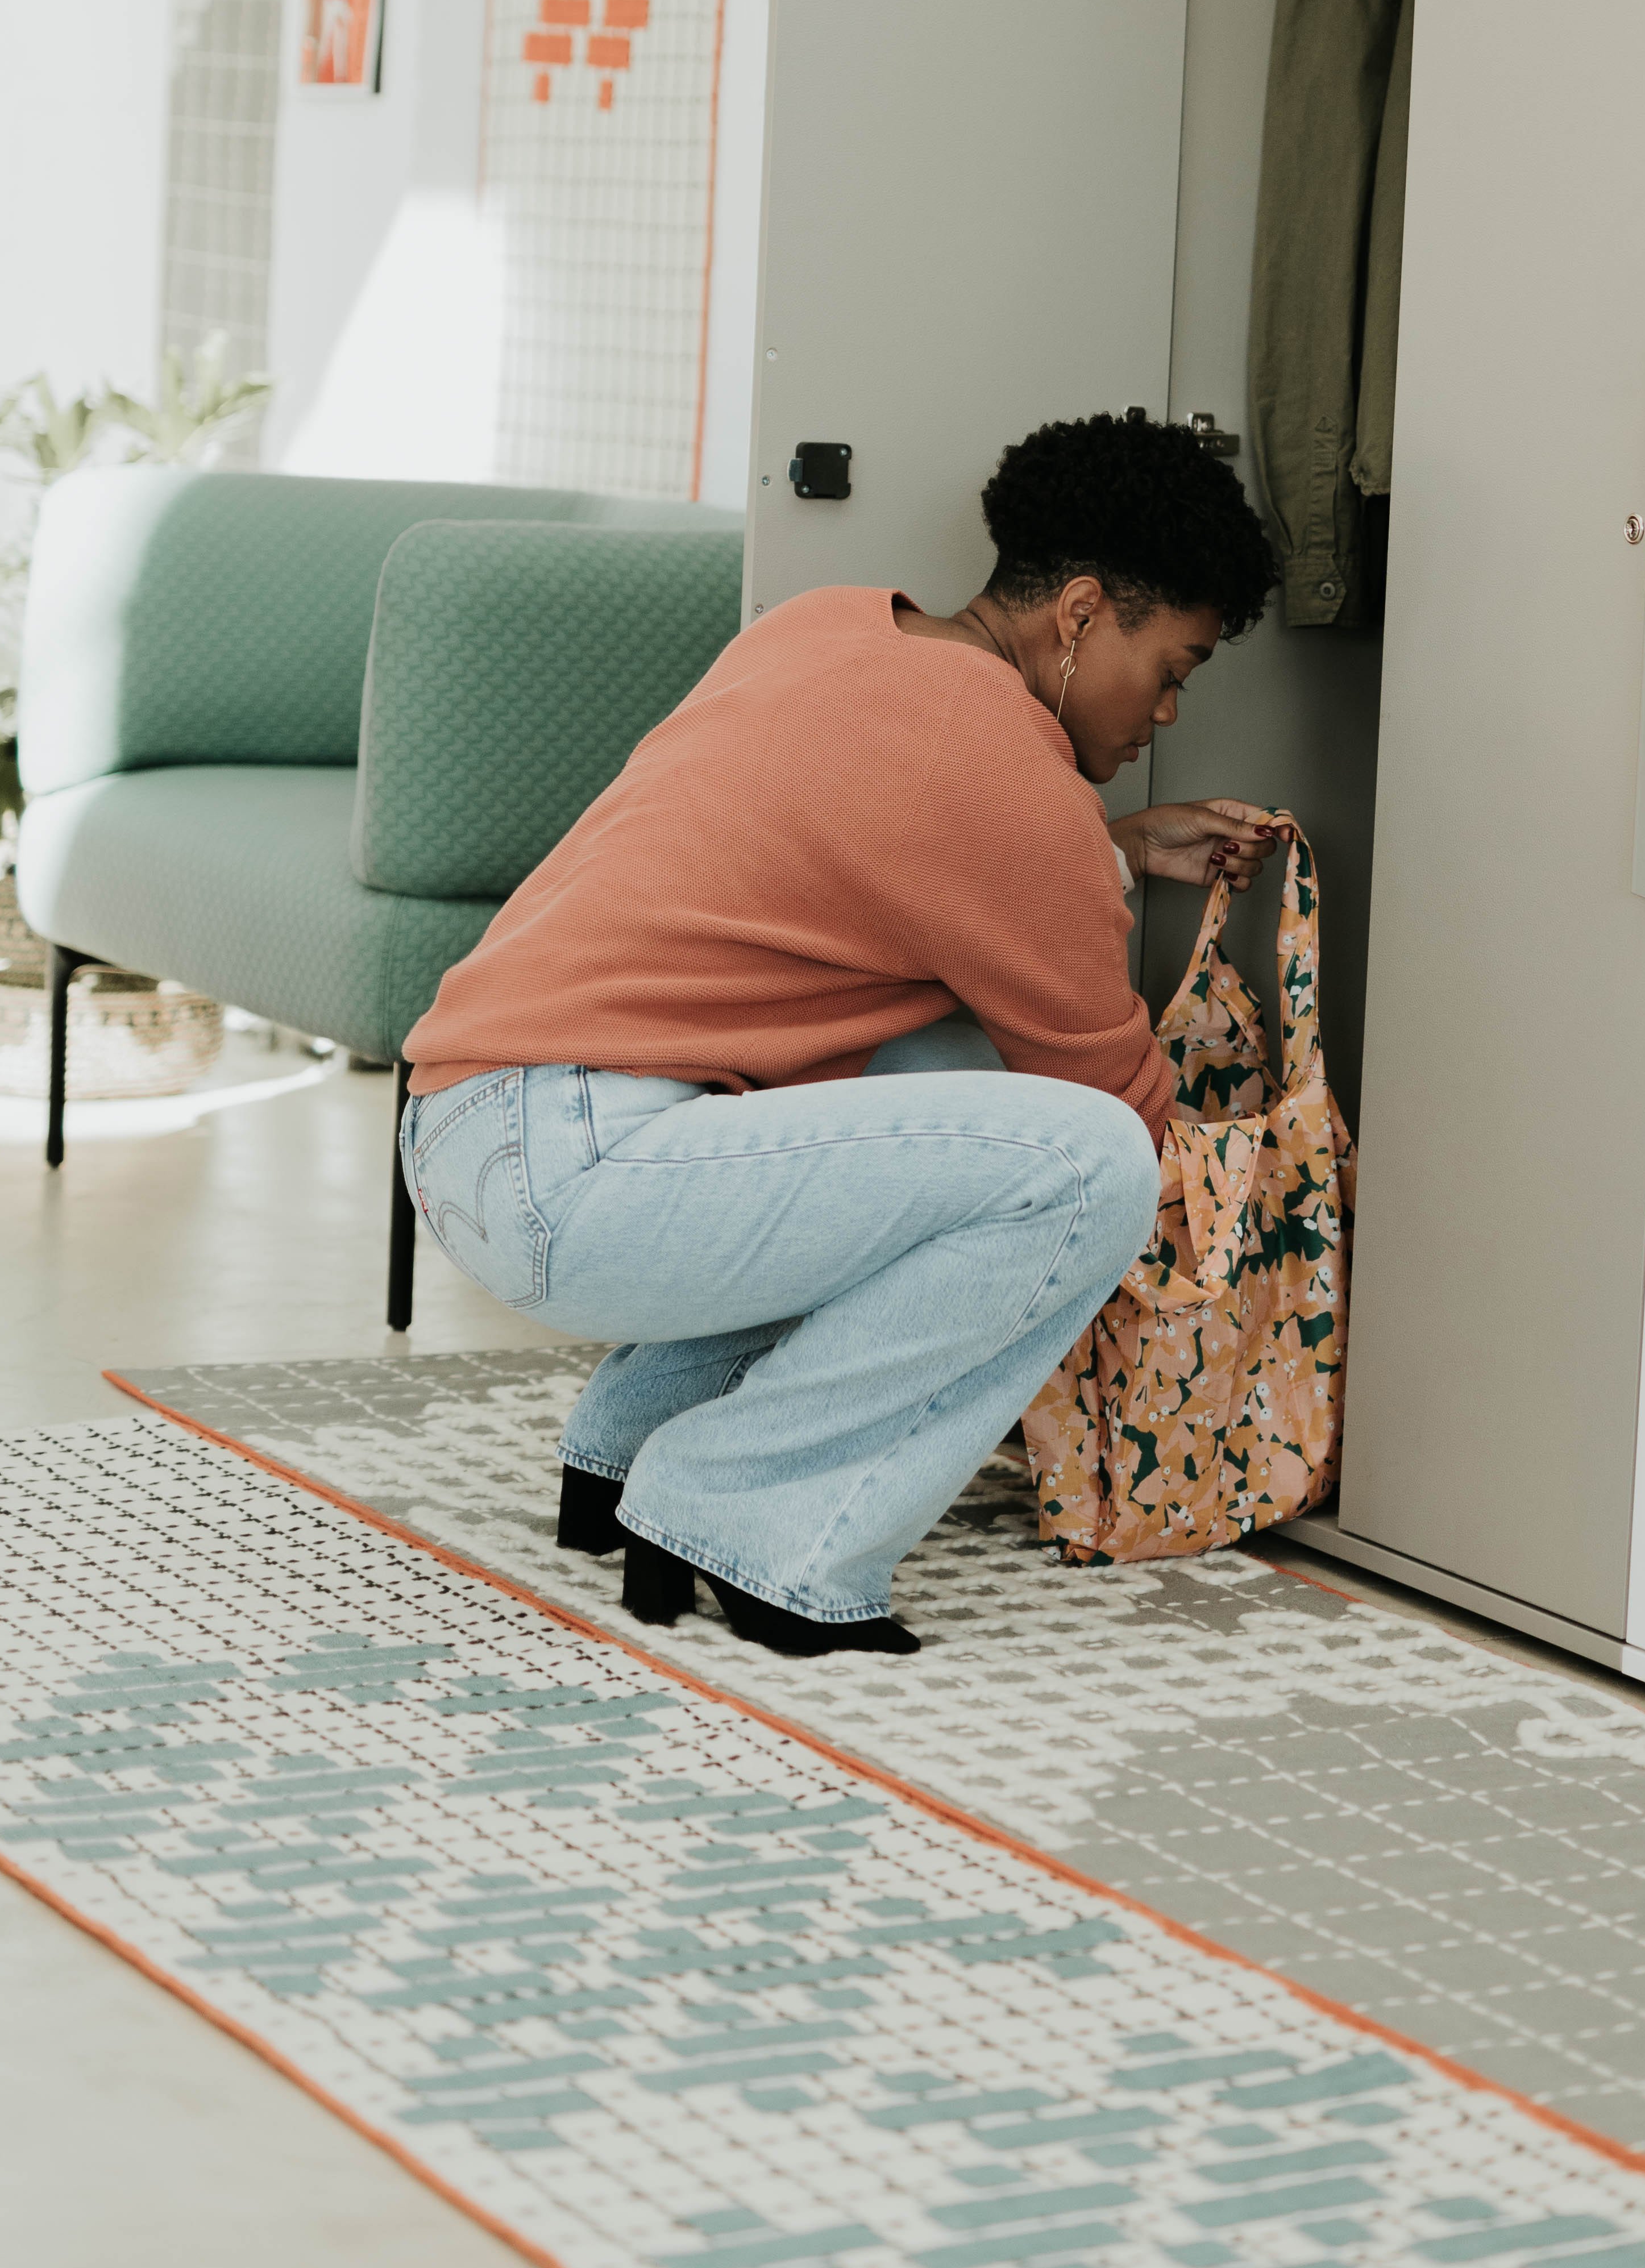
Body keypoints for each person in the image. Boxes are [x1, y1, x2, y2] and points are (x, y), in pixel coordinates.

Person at [398, 412, 1283, 1660]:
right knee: (1090, 1166)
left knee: (937, 1069)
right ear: (1081, 612)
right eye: (1174, 666)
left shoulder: (823, 625)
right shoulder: (1012, 783)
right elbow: (1116, 1109)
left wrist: (1104, 850)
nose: (1170, 715)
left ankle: (625, 1452)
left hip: (473, 1133)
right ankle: (749, 1523)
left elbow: (882, 854)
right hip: (582, 1182)